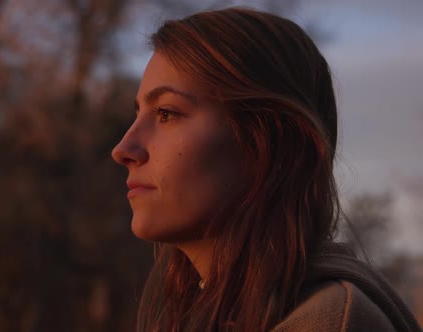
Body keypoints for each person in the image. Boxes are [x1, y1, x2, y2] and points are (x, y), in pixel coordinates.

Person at [111, 7, 422, 332]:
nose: (123, 149)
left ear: (267, 140)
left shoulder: (324, 322)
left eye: (166, 113)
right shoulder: (209, 312)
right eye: (139, 114)